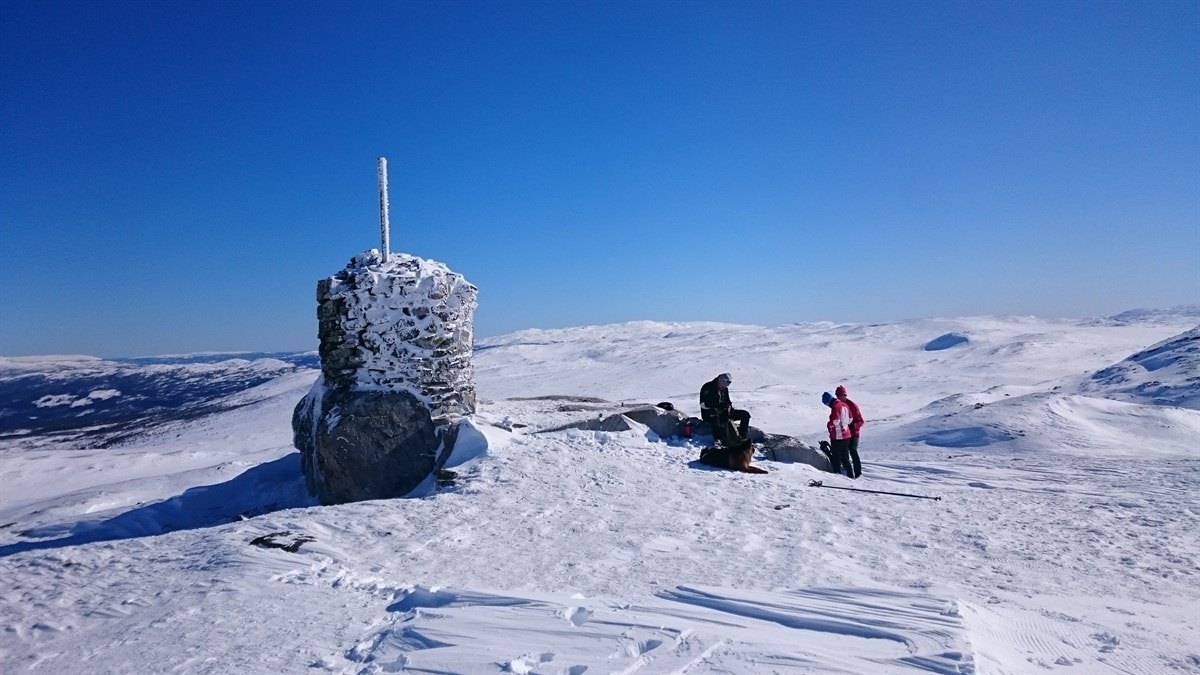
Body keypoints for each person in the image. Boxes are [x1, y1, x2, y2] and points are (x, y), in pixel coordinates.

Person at [700, 372, 751, 447]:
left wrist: (730, 407)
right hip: (709, 415)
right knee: (714, 412)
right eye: (723, 385)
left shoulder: (725, 389)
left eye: (726, 386)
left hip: (724, 413)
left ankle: (743, 437)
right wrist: (719, 406)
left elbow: (727, 401)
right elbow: (703, 405)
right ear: (719, 381)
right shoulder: (707, 387)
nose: (724, 387)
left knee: (745, 414)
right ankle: (718, 439)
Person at [836, 385, 864, 478]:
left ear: (845, 395)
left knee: (852, 450)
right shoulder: (838, 405)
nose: (839, 398)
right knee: (844, 452)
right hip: (845, 433)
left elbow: (861, 421)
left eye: (840, 395)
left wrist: (853, 426)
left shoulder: (852, 405)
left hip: (854, 433)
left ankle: (858, 473)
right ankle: (848, 472)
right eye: (837, 396)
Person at [823, 391, 853, 477]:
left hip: (838, 436)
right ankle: (850, 475)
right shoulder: (844, 405)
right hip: (847, 435)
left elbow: (835, 421)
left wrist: (829, 425)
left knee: (837, 457)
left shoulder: (835, 407)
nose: (827, 405)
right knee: (845, 457)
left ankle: (837, 475)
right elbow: (850, 419)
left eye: (826, 403)